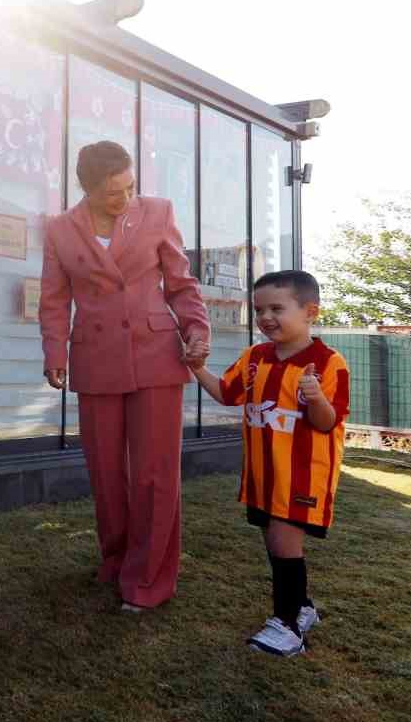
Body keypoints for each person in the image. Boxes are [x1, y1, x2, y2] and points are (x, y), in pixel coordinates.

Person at [38, 140, 210, 611]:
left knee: (155, 474)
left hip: (157, 354)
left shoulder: (159, 212)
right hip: (94, 358)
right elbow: (54, 298)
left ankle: (148, 579)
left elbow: (180, 282)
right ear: (88, 188)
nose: (126, 199)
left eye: (130, 187)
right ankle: (115, 560)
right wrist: (55, 351)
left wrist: (197, 327)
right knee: (106, 473)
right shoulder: (58, 229)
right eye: (114, 192)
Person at [186, 270, 349, 657]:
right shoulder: (255, 357)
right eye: (260, 309)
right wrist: (196, 368)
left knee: (283, 541)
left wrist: (314, 397)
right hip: (262, 474)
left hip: (303, 476)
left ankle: (288, 627)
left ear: (310, 312)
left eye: (278, 308)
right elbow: (227, 394)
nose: (266, 317)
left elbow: (328, 422)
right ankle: (303, 607)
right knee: (275, 545)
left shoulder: (328, 363)